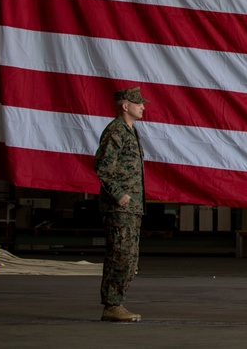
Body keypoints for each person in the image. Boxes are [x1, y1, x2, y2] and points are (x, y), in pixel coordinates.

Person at [95, 86, 149, 323]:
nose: (143, 107)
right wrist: (118, 194)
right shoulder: (116, 131)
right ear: (125, 106)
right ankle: (112, 305)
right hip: (119, 207)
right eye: (138, 104)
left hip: (131, 208)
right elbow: (102, 166)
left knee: (129, 258)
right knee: (120, 255)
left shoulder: (131, 132)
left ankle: (117, 303)